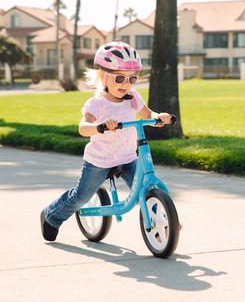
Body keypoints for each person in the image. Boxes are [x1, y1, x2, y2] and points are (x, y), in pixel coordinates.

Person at [40, 41, 173, 241]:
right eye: (119, 78)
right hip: (99, 160)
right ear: (103, 77)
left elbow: (147, 114)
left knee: (147, 190)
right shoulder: (97, 103)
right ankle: (51, 216)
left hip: (127, 157)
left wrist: (158, 117)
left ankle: (166, 219)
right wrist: (101, 126)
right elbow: (83, 127)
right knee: (81, 196)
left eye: (132, 79)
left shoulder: (133, 97)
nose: (126, 84)